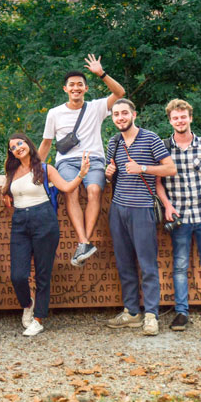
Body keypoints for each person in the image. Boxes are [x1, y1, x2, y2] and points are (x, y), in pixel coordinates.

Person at [39, 55, 125, 267]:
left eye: (80, 84)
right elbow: (46, 143)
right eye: (72, 85)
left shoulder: (95, 107)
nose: (76, 88)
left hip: (93, 159)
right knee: (71, 191)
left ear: (86, 89)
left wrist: (101, 74)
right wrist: (33, 169)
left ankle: (83, 244)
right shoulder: (54, 113)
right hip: (67, 162)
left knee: (95, 190)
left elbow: (120, 93)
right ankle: (84, 242)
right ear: (65, 89)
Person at [3, 134, 89, 337]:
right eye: (13, 147)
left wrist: (82, 173)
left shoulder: (44, 168)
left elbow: (66, 188)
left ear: (28, 144)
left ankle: (39, 319)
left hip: (43, 220)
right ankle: (27, 304)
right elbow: (10, 197)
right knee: (18, 275)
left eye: (20, 143)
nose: (17, 147)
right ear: (11, 153)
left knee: (43, 274)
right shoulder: (12, 172)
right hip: (20, 223)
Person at [156, 99, 201, 332]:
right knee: (179, 265)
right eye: (175, 118)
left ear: (190, 118)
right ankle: (181, 312)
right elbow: (157, 182)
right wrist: (166, 205)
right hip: (178, 216)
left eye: (183, 117)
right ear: (170, 121)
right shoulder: (163, 148)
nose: (180, 121)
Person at [104, 99, 176, 336]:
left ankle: (152, 315)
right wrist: (108, 172)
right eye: (116, 114)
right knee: (124, 263)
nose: (120, 117)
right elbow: (110, 175)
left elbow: (170, 168)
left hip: (142, 209)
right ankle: (132, 312)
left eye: (124, 113)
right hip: (118, 209)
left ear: (133, 114)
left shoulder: (151, 138)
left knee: (147, 265)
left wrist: (143, 168)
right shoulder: (113, 142)